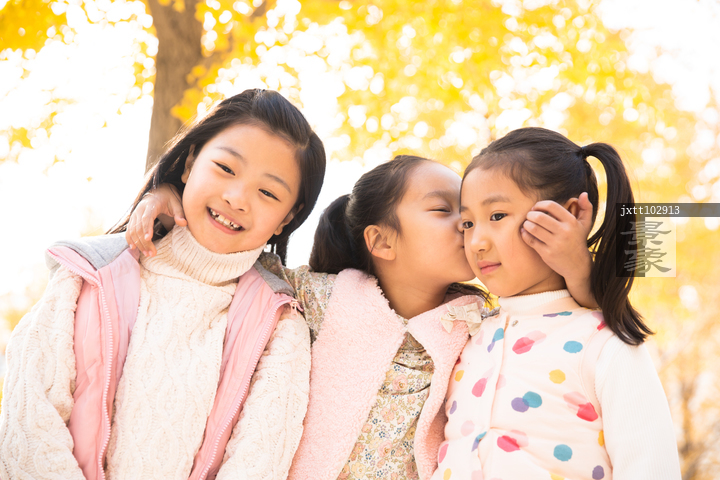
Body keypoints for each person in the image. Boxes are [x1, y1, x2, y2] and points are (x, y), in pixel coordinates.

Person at [127, 153, 597, 480]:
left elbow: (586, 320)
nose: (467, 225)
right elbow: (226, 257)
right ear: (382, 241)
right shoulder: (323, 297)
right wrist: (165, 195)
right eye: (445, 209)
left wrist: (581, 269)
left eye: (473, 215)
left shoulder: (484, 322)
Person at [0, 88, 326, 480]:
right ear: (189, 163)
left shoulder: (279, 327)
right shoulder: (88, 276)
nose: (237, 198)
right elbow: (29, 423)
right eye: (226, 168)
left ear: (286, 218)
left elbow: (258, 462)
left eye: (268, 192)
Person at [434, 127, 680, 480]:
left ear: (572, 213)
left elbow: (650, 468)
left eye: (497, 216)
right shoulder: (463, 333)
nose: (476, 242)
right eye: (468, 223)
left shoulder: (605, 344)